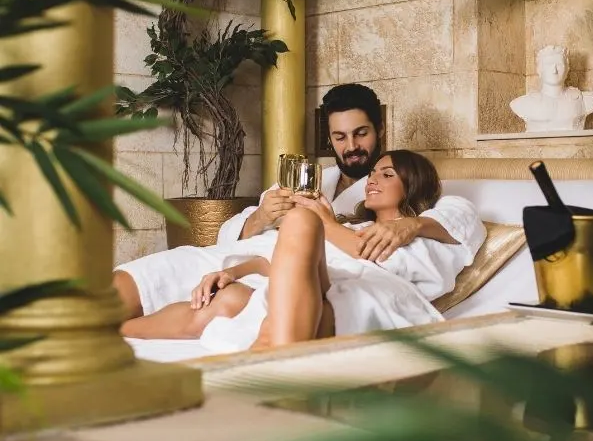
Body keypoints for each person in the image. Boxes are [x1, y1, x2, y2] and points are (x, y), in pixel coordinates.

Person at [113, 83, 485, 324]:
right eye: (339, 137)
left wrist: (411, 224)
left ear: (380, 131)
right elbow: (231, 238)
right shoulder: (309, 181)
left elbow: (461, 216)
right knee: (138, 279)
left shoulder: (411, 195)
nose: (350, 146)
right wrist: (260, 216)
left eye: (360, 133)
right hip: (238, 259)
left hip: (284, 276)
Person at [121, 151, 478, 352]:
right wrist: (234, 271)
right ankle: (109, 330)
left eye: (386, 175)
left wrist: (322, 222)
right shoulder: (347, 223)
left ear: (412, 183)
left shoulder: (426, 235)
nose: (372, 180)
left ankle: (276, 359)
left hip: (347, 292)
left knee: (301, 224)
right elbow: (280, 262)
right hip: (302, 286)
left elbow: (461, 224)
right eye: (372, 173)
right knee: (225, 299)